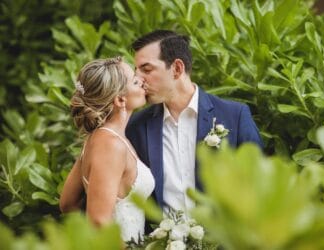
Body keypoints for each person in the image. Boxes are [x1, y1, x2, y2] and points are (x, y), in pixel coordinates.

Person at [126, 30, 263, 215]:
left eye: (147, 70)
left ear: (177, 69)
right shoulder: (136, 126)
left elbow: (259, 185)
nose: (138, 79)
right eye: (136, 71)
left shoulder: (235, 116)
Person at [59, 56, 155, 243]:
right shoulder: (111, 145)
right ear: (120, 100)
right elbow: (98, 221)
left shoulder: (101, 138)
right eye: (135, 81)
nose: (143, 81)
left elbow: (67, 203)